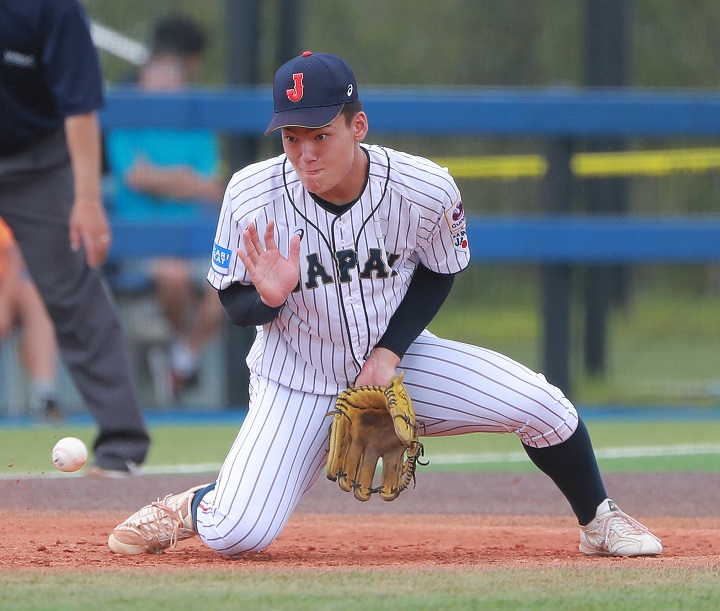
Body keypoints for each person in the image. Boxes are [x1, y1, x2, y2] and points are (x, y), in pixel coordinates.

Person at [108, 52, 662, 557]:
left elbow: (439, 271)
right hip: (295, 379)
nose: (305, 153)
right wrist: (269, 299)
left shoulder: (424, 188)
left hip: (401, 363)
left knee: (544, 405)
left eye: (320, 135)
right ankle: (198, 502)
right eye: (291, 137)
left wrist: (390, 351)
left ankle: (600, 520)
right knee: (237, 534)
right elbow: (233, 302)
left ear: (358, 125)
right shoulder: (253, 193)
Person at [0, 0, 150, 474]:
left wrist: (87, 199)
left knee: (72, 293)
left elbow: (80, 108)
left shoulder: (52, 9)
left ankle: (122, 444)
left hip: (38, 163)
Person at [105, 15, 225, 398]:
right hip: (142, 246)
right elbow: (135, 176)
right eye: (155, 72)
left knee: (230, 285)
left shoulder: (194, 121)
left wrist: (161, 179)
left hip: (193, 243)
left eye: (170, 73)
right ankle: (179, 357)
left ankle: (180, 360)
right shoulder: (127, 114)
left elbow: (209, 186)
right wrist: (183, 181)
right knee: (170, 274)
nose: (163, 80)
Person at [0, 219, 63, 420]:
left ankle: (43, 395)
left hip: (8, 286)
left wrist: (3, 302)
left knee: (34, 295)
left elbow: (15, 256)